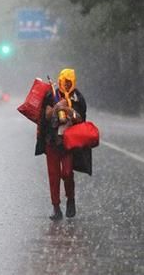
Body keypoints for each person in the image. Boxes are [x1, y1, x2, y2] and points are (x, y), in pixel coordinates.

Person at [35, 68, 87, 220]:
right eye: (64, 81)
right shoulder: (51, 94)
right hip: (52, 141)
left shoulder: (78, 98)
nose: (66, 84)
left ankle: (70, 199)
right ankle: (56, 207)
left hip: (69, 143)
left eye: (69, 82)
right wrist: (57, 108)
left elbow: (81, 119)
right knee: (54, 175)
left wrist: (68, 110)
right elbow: (45, 116)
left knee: (67, 173)